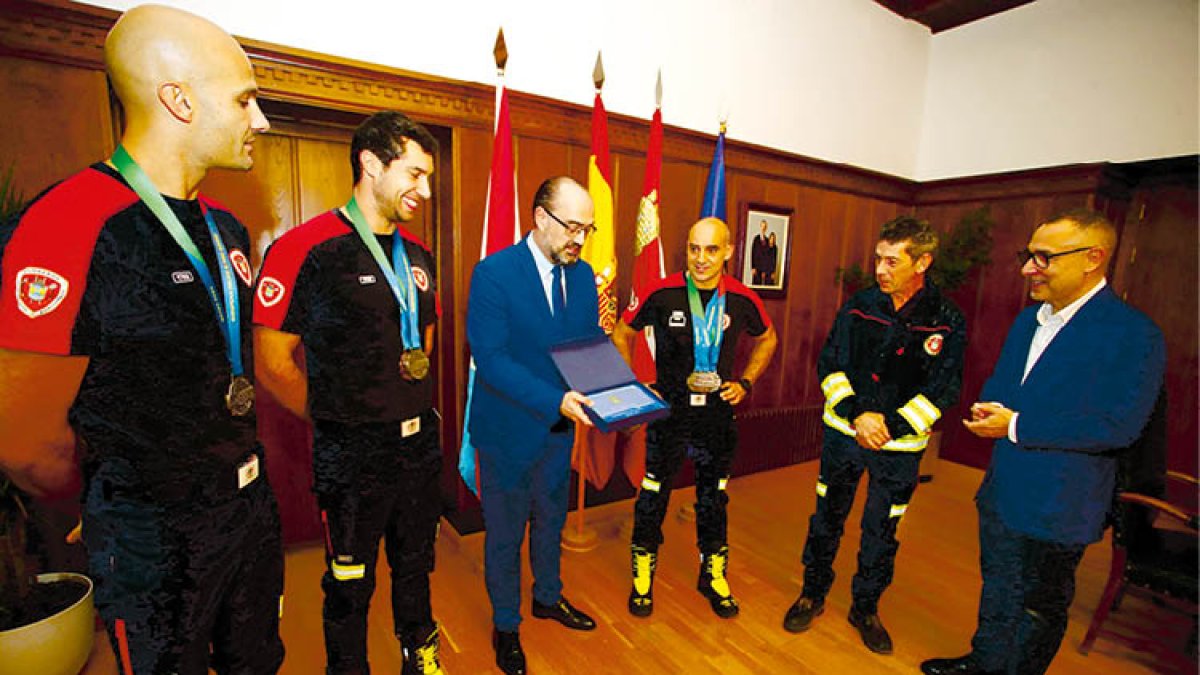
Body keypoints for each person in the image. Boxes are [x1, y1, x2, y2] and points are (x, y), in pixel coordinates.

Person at [0, 5, 284, 673]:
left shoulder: (227, 228)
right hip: (152, 540)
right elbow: (22, 439)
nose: (261, 120)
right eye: (244, 99)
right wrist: (113, 498)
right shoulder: (69, 224)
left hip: (246, 510)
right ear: (179, 99)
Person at [921, 209, 1165, 675]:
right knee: (999, 588)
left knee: (1038, 609)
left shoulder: (1134, 334)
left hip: (1061, 502)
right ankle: (984, 662)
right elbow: (1005, 384)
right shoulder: (1028, 320)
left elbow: (1118, 426)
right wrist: (990, 407)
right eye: (1028, 256)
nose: (1028, 269)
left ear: (1093, 258)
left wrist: (1015, 425)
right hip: (1003, 490)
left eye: (1044, 258)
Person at [253, 111, 445, 675]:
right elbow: (272, 362)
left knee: (416, 564)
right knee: (350, 580)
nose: (425, 191)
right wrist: (336, 418)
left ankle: (420, 654)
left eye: (428, 177)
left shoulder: (419, 254)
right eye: (414, 174)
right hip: (353, 455)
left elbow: (424, 338)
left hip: (418, 445)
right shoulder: (306, 249)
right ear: (370, 164)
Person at [782, 216, 966, 655]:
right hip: (844, 437)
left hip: (899, 449)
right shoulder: (859, 306)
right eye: (878, 259)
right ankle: (812, 594)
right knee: (826, 519)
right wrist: (857, 415)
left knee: (882, 530)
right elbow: (831, 364)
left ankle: (865, 608)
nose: (880, 269)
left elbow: (944, 388)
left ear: (922, 262)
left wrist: (891, 427)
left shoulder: (947, 320)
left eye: (892, 261)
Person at [466, 176, 603, 675]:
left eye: (587, 229)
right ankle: (506, 625)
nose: (580, 239)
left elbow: (587, 343)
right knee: (505, 535)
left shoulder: (582, 275)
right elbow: (492, 360)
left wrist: (618, 390)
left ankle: (548, 596)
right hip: (506, 431)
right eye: (573, 227)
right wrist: (555, 400)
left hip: (558, 430)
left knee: (551, 520)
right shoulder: (494, 273)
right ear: (541, 217)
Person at [613, 217, 778, 619]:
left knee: (713, 497)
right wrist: (634, 386)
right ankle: (642, 578)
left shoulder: (741, 298)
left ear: (728, 252)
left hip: (717, 417)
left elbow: (768, 339)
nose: (701, 258)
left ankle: (713, 575)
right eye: (693, 248)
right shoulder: (662, 292)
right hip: (669, 414)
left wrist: (746, 383)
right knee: (653, 495)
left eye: (711, 249)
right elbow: (622, 332)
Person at [750, 219, 771, 285]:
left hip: (763, 268)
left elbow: (768, 256)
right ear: (760, 227)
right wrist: (753, 267)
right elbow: (753, 253)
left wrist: (765, 270)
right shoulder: (756, 239)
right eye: (762, 226)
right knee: (755, 284)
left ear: (766, 228)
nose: (763, 228)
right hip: (756, 267)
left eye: (765, 227)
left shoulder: (767, 240)